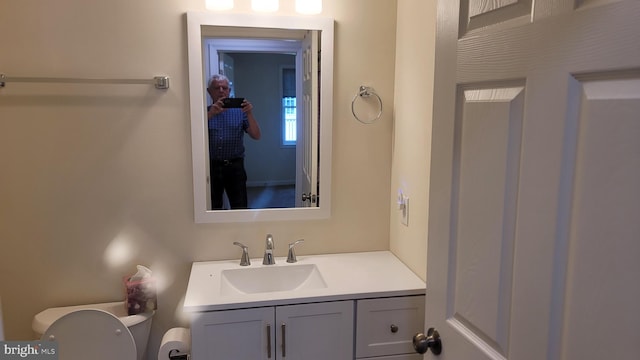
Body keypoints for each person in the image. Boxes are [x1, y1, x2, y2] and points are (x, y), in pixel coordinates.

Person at [206, 74, 261, 209]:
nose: (221, 91)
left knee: (239, 205)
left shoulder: (240, 112)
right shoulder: (203, 113)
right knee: (213, 205)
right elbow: (193, 133)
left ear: (229, 91)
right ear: (209, 91)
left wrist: (249, 113)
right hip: (210, 167)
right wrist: (210, 114)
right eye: (216, 88)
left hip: (235, 166)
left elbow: (256, 135)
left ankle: (241, 230)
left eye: (224, 88)